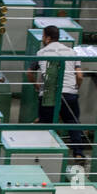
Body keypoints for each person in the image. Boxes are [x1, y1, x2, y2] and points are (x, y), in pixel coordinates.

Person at [29, 25, 86, 158]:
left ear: (48, 38)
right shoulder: (72, 52)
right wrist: (75, 88)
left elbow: (30, 73)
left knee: (45, 124)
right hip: (69, 93)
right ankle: (78, 153)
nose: (42, 39)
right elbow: (80, 76)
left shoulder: (41, 53)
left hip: (48, 94)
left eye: (43, 36)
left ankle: (44, 154)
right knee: (73, 122)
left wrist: (37, 86)